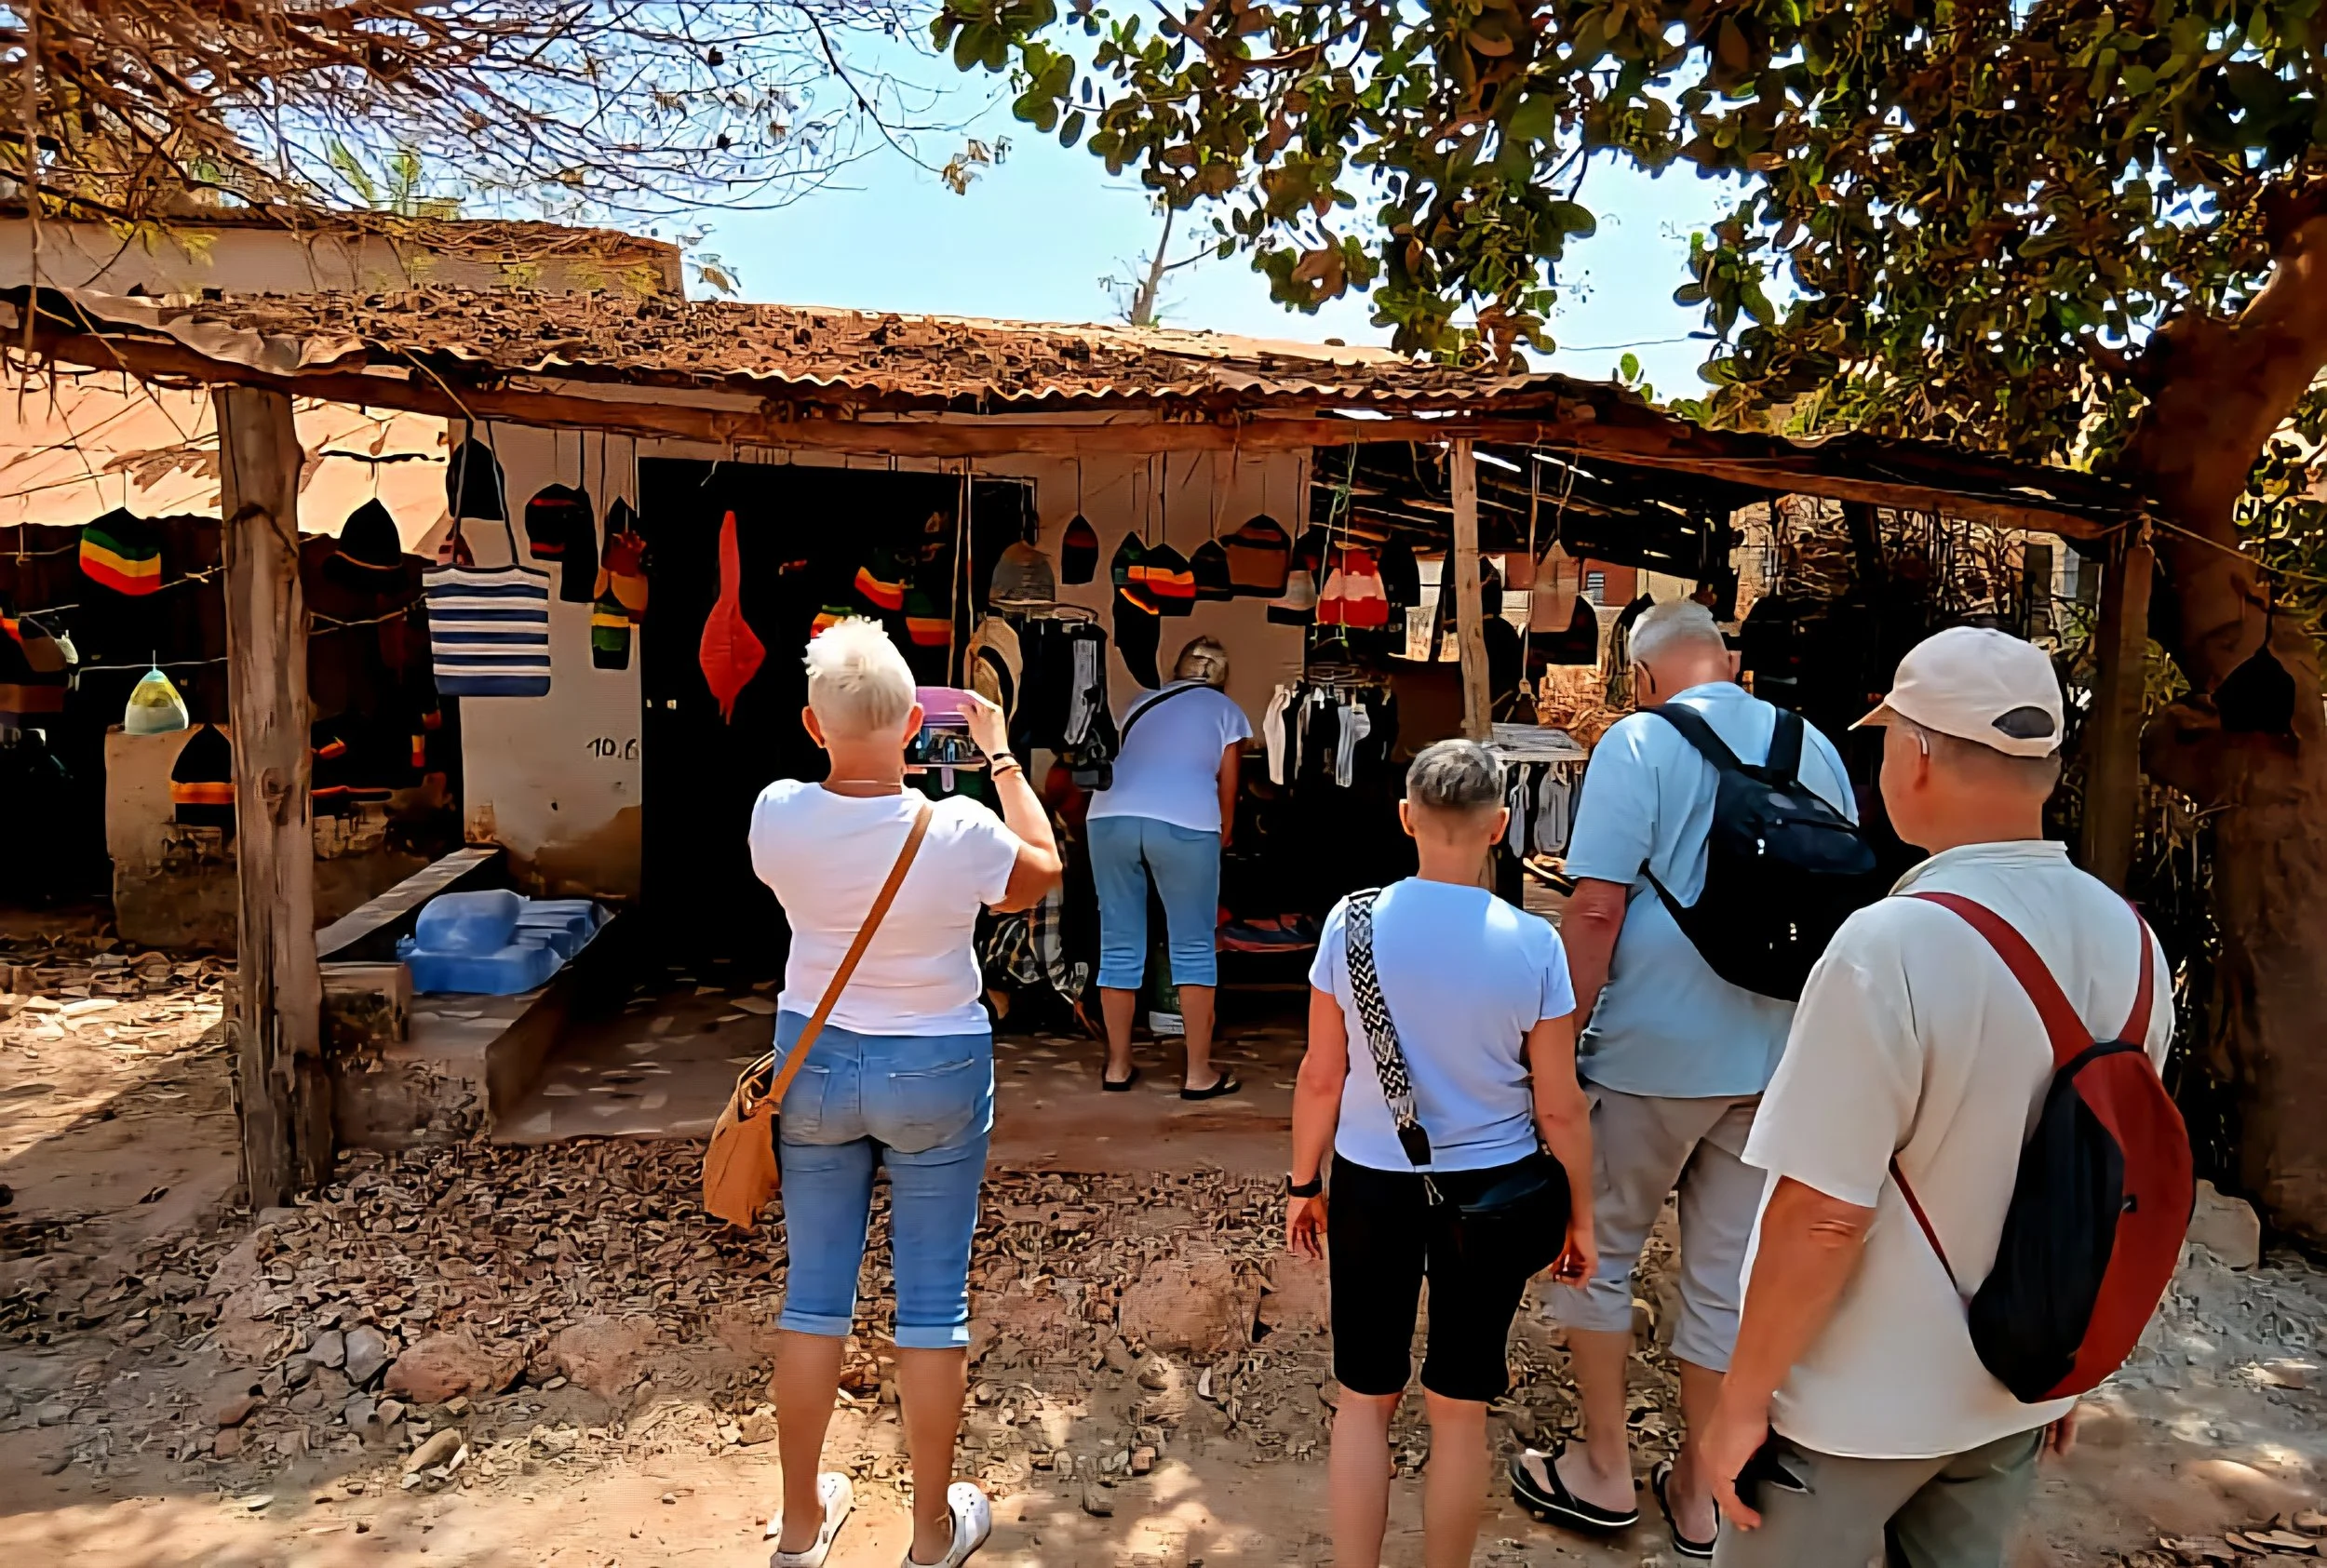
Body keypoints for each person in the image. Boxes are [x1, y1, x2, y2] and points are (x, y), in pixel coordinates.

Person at [1702, 626, 2172, 1567]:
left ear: (1912, 753)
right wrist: (2065, 1376)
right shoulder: (2135, 942)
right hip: (2010, 1392)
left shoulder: (1891, 944)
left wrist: (1741, 1398)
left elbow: (1824, 1214)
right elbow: (2110, 1178)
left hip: (1853, 1410)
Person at [1516, 597, 1856, 1559]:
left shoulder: (1637, 743)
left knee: (1600, 1243)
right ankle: (1701, 1494)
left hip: (1653, 1052)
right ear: (1725, 659)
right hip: (1780, 1054)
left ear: (1639, 675)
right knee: (1722, 1276)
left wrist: (1558, 1038)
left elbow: (1591, 911)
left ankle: (1601, 1466)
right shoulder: (1815, 749)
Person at [747, 618, 1063, 1568]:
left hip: (814, 1058)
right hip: (935, 1065)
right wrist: (1000, 755)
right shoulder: (960, 826)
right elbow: (1041, 870)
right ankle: (929, 1533)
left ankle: (802, 1522)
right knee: (931, 1302)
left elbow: (805, 855)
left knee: (814, 1297)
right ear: (917, 724)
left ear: (813, 722)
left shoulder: (776, 812)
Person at [1287, 739, 1597, 1568]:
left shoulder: (1349, 925)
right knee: (1460, 1406)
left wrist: (1303, 1182)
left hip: (1371, 1183)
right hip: (1493, 1196)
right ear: (1500, 825)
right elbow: (1560, 1105)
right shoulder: (1536, 942)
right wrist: (1583, 1215)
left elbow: (1322, 1074)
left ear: (1405, 818)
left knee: (1363, 1399)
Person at [1086, 635, 1252, 1096]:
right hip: (1185, 822)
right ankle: (1199, 1073)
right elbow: (1229, 783)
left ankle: (1117, 1066)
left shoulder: (1141, 703)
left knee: (1118, 942)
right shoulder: (1225, 711)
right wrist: (1224, 834)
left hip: (1109, 818)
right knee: (1194, 946)